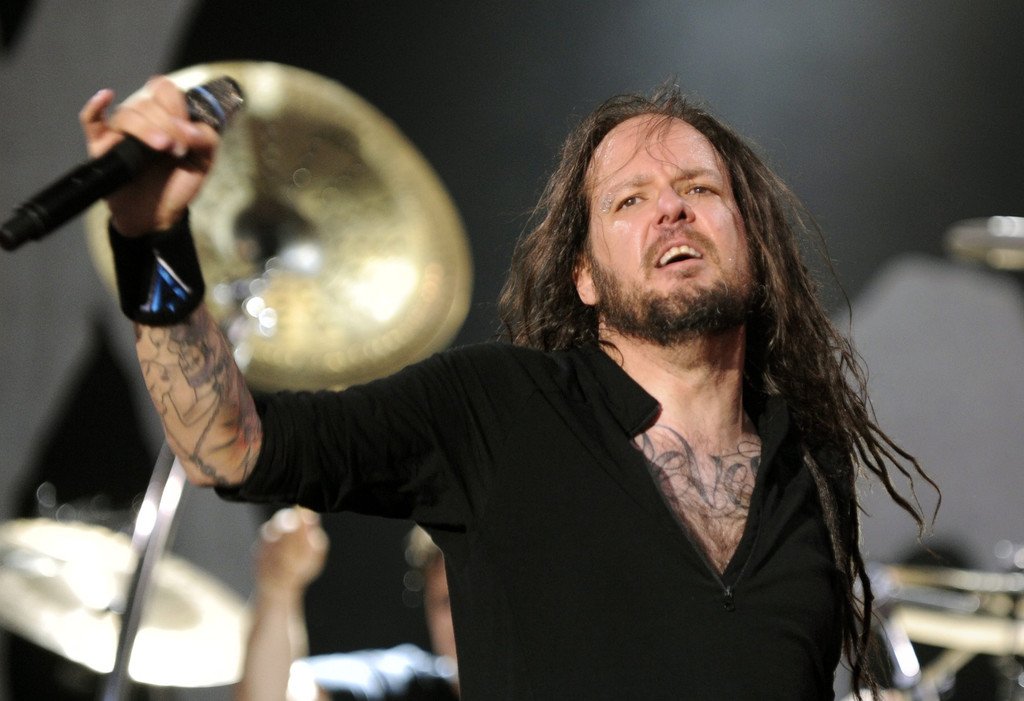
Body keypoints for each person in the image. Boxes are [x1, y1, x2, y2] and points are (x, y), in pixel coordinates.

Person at [80, 76, 937, 699]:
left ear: (751, 241)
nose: (671, 210)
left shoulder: (807, 463)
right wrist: (151, 236)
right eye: (629, 200)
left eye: (699, 188)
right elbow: (225, 443)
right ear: (584, 277)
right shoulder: (497, 410)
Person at [235, 507, 458, 701]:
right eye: (446, 601)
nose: (460, 616)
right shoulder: (409, 688)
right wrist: (279, 587)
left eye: (467, 596)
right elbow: (274, 694)